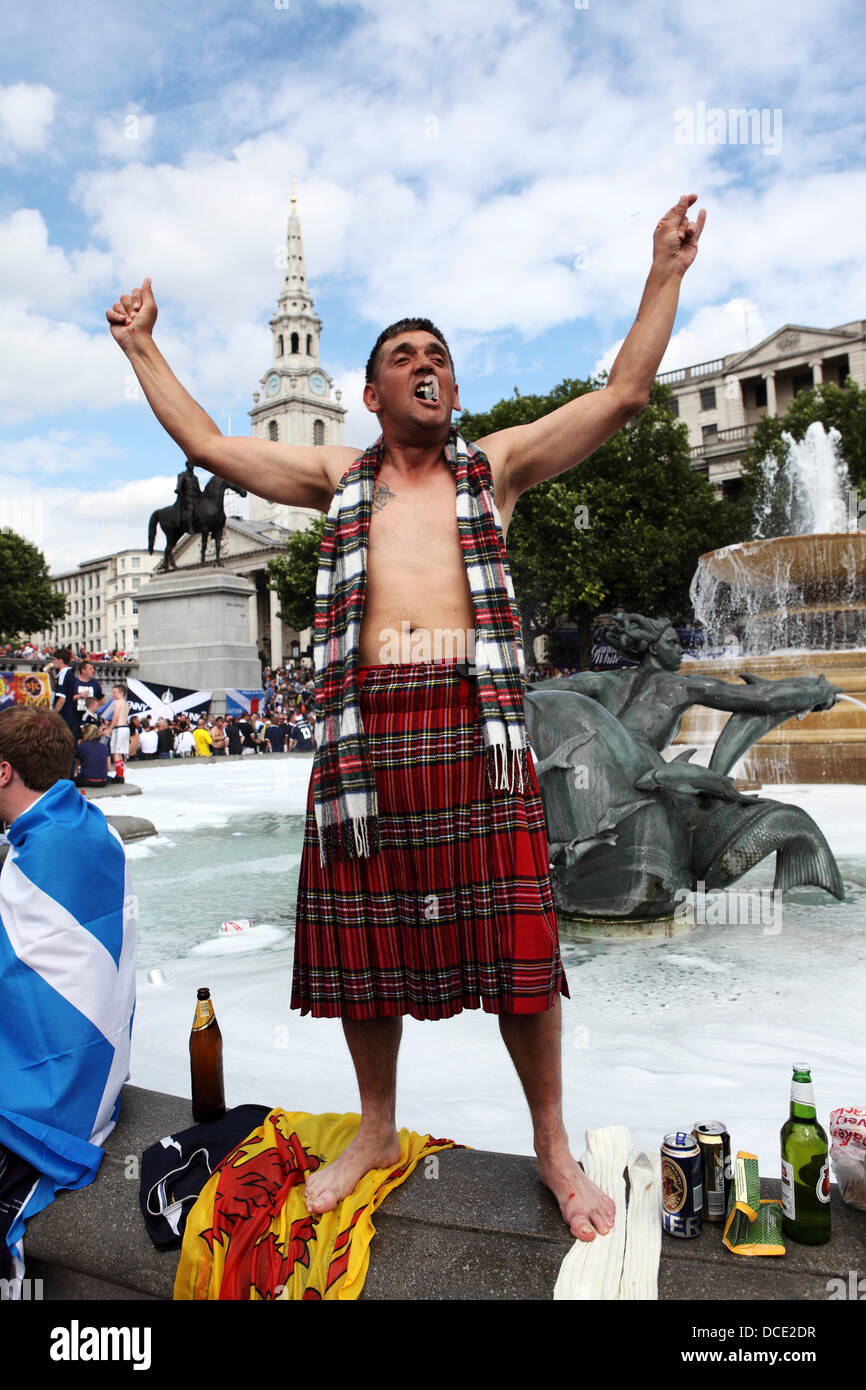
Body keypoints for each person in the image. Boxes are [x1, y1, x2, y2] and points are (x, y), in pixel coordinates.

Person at [107, 193, 705, 1242]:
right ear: (373, 391)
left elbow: (620, 391)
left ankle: (550, 1144)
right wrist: (140, 345)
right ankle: (375, 1125)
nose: (429, 365)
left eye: (440, 353)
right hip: (362, 741)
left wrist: (662, 270)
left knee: (520, 949)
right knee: (363, 947)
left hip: (476, 735)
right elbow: (204, 437)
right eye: (406, 355)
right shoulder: (336, 477)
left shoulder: (497, 466)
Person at [0, 706, 136, 1284]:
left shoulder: (32, 866)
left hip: (53, 1106)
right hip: (102, 1081)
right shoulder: (87, 827)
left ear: (3, 772)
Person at [73, 723, 113, 787]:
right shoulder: (104, 746)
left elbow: (75, 767)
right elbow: (109, 768)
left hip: (87, 780)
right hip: (102, 782)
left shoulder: (82, 746)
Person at [108, 683, 130, 780]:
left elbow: (115, 717)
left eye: (114, 692)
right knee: (119, 753)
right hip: (125, 728)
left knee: (116, 752)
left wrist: (109, 728)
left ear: (121, 693)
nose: (113, 695)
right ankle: (120, 774)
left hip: (119, 728)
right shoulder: (125, 703)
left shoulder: (118, 702)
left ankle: (120, 775)